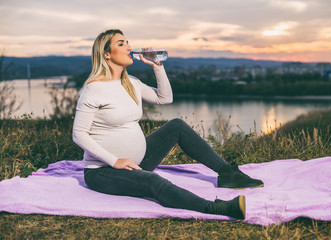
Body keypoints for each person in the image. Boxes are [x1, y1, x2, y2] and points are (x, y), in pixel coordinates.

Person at [72, 29, 264, 220]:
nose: (129, 47)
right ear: (106, 54)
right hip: (103, 171)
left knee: (177, 126)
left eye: (128, 42)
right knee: (153, 181)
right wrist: (114, 161)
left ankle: (227, 174)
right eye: (121, 44)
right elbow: (79, 134)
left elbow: (165, 98)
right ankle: (216, 208)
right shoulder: (94, 88)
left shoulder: (131, 82)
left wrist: (157, 66)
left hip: (136, 164)